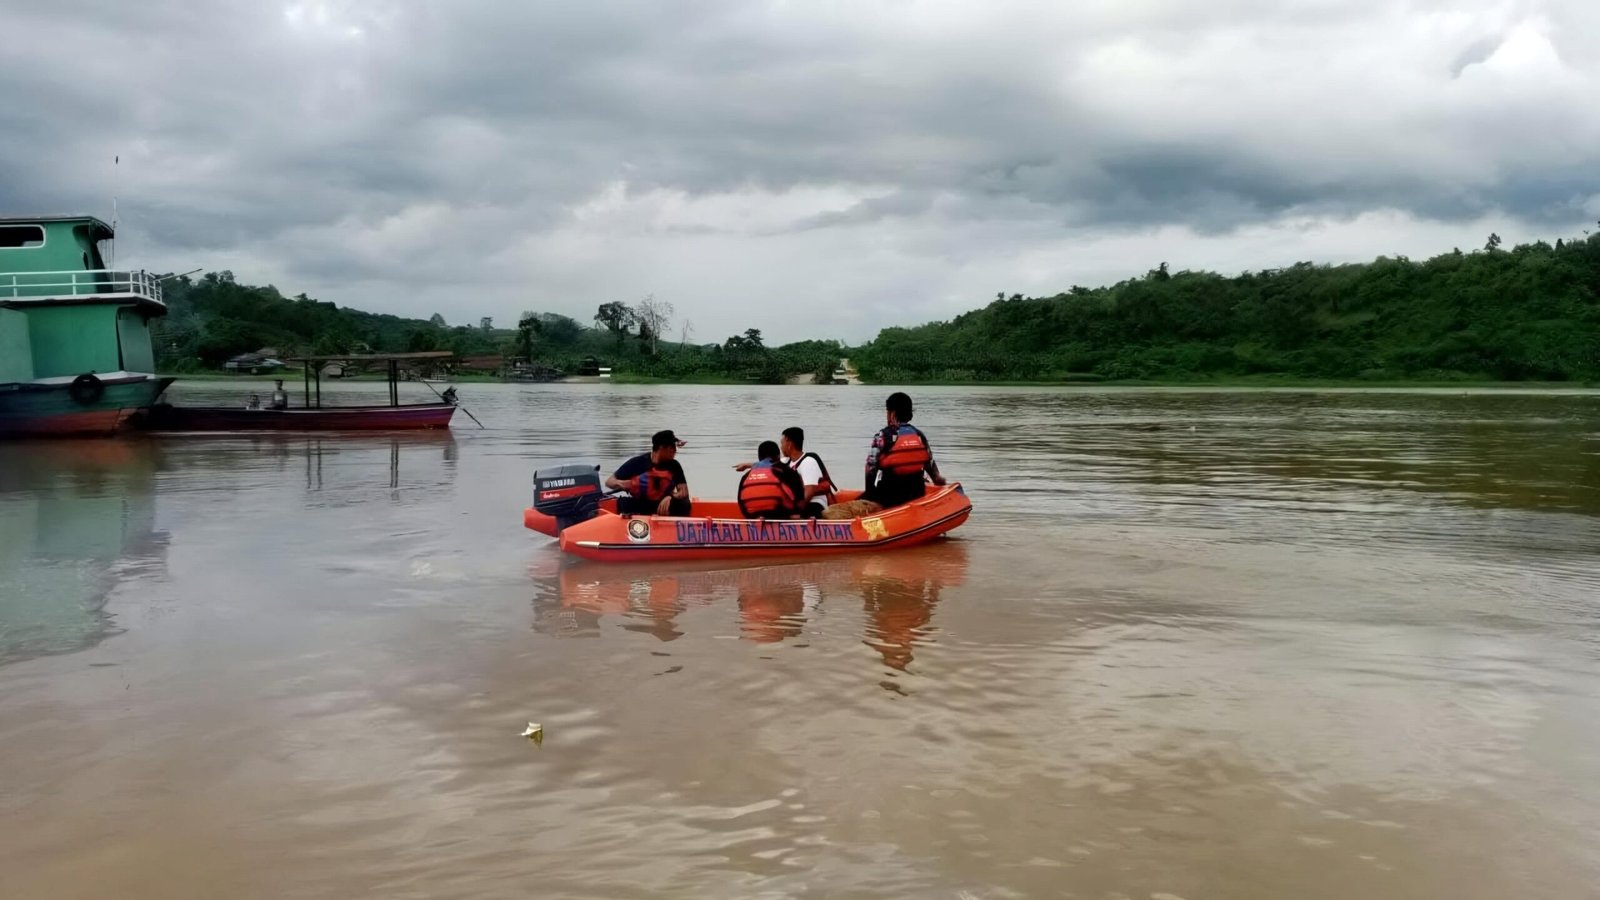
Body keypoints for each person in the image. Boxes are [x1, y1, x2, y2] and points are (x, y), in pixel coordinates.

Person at [863, 391, 945, 509]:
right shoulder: (919, 435)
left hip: (890, 497)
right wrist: (939, 485)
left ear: (892, 413)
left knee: (859, 502)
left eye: (887, 411)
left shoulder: (882, 436)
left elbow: (870, 468)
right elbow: (931, 467)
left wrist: (869, 494)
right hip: (916, 494)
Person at [732, 426, 837, 517]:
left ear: (789, 443)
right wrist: (747, 465)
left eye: (782, 443)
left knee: (799, 512)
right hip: (798, 502)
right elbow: (768, 464)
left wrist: (796, 511)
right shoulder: (787, 461)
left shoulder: (808, 462)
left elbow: (809, 493)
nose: (781, 447)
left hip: (815, 503)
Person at [605, 429, 691, 517]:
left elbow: (683, 492)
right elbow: (609, 482)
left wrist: (671, 496)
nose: (675, 450)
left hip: (662, 506)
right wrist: (621, 483)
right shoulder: (637, 462)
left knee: (684, 504)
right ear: (661, 448)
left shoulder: (674, 465)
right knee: (622, 503)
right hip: (641, 504)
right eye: (671, 448)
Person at [737, 440, 806, 520]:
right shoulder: (786, 471)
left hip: (752, 516)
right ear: (778, 456)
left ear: (759, 457)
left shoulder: (746, 476)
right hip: (779, 515)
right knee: (798, 512)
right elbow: (800, 500)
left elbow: (741, 503)